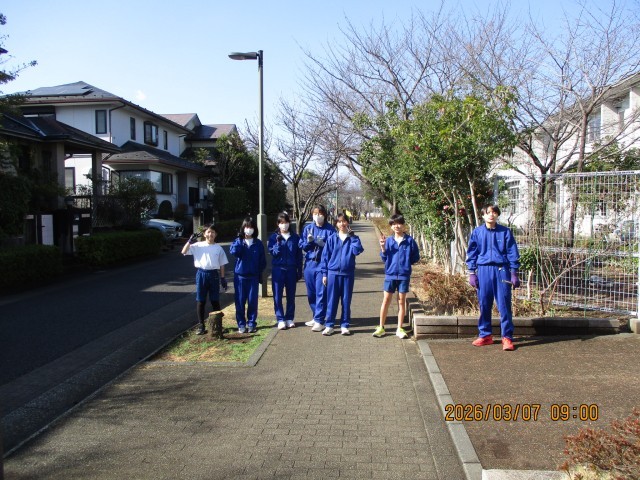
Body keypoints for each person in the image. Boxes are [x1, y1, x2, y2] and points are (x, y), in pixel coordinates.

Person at [465, 204, 521, 351]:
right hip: (483, 270)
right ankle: (485, 335)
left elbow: (512, 252)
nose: (491, 215)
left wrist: (514, 272)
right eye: (488, 212)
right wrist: (472, 273)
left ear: (497, 215)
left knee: (504, 304)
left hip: (501, 269)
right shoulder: (477, 232)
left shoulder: (505, 232)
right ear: (483, 215)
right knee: (484, 303)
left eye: (494, 212)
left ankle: (507, 337)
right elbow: (472, 253)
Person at [316, 213, 364, 336]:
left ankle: (345, 325)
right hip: (333, 274)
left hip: (347, 274)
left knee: (346, 301)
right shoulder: (332, 238)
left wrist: (352, 237)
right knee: (331, 300)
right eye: (339, 222)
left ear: (347, 222)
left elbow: (357, 250)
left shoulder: (353, 238)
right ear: (336, 224)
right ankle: (329, 325)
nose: (342, 224)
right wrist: (324, 274)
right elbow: (325, 257)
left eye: (344, 221)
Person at [374, 214, 420, 339]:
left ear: (403, 225)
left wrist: (406, 263)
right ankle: (381, 327)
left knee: (401, 301)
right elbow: (384, 258)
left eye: (399, 223)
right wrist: (383, 248)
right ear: (391, 226)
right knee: (386, 300)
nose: (396, 226)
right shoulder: (388, 241)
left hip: (404, 275)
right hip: (390, 274)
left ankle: (399, 328)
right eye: (393, 224)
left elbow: (416, 257)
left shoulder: (409, 241)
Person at [182, 224, 229, 335]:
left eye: (213, 232)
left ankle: (218, 325)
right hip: (201, 273)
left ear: (216, 234)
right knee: (201, 300)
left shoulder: (218, 248)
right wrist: (189, 241)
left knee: (215, 300)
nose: (210, 234)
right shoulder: (198, 245)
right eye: (208, 232)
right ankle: (201, 325)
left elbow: (222, 264)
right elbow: (184, 251)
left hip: (214, 274)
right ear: (204, 234)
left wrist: (223, 278)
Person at [300, 205, 336, 328]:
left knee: (321, 292)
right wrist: (309, 242)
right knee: (311, 293)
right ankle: (316, 316)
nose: (317, 216)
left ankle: (319, 320)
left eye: (320, 214)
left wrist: (324, 244)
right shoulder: (308, 228)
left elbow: (333, 248)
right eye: (315, 214)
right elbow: (302, 245)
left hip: (322, 263)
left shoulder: (330, 230)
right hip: (310, 263)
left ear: (324, 215)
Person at [229, 217, 267, 334]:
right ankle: (241, 324)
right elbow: (234, 252)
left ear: (254, 229)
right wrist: (240, 241)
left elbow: (262, 261)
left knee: (252, 301)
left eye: (251, 227)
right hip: (240, 277)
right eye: (246, 227)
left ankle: (251, 323)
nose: (248, 229)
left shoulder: (258, 243)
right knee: (240, 301)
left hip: (253, 277)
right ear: (243, 228)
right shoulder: (238, 241)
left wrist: (258, 272)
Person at [267, 212, 303, 330]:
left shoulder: (295, 237)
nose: (284, 225)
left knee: (291, 295)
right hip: (278, 269)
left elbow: (299, 256)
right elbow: (273, 253)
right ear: (278, 224)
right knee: (277, 296)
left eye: (286, 222)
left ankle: (289, 318)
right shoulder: (273, 237)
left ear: (289, 223)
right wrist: (277, 243)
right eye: (281, 223)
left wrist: (299, 270)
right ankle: (280, 319)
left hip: (291, 269)